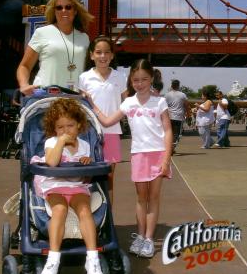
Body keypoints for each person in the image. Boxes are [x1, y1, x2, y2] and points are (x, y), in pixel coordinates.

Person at [89, 59, 172, 258]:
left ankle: (150, 239)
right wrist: (92, 105)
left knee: (153, 198)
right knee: (141, 199)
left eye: (144, 79)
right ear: (131, 81)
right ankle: (141, 236)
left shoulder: (160, 102)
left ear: (151, 78)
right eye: (136, 80)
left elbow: (168, 130)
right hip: (139, 155)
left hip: (158, 154)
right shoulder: (128, 103)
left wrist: (166, 159)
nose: (140, 83)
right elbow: (108, 121)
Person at [32, 98, 103, 274]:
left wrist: (86, 165)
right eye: (60, 127)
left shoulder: (85, 146)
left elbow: (86, 179)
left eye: (70, 126)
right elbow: (52, 163)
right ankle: (53, 259)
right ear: (54, 129)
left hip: (76, 186)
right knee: (60, 209)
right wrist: (61, 142)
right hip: (54, 185)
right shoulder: (52, 142)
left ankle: (92, 257)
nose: (65, 131)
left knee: (84, 210)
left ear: (79, 125)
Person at [16, 0, 94, 95]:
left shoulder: (84, 38)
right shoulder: (42, 33)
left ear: (75, 11)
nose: (63, 11)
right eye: (59, 7)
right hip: (44, 96)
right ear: (54, 11)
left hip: (73, 99)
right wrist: (24, 85)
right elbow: (24, 66)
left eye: (68, 7)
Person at [78, 35, 127, 204]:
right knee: (86, 176)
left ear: (112, 55)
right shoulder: (84, 77)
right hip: (88, 133)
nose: (103, 56)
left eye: (107, 52)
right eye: (98, 52)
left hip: (112, 133)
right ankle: (88, 219)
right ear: (91, 55)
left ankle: (108, 221)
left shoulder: (120, 77)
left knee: (109, 178)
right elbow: (81, 107)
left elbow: (126, 104)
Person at [165, 79, 190, 154]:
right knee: (176, 134)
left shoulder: (167, 95)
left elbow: (163, 106)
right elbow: (186, 105)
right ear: (178, 86)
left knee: (169, 133)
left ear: (171, 86)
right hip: (179, 117)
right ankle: (172, 148)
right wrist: (188, 115)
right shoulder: (182, 95)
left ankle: (169, 148)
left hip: (169, 117)